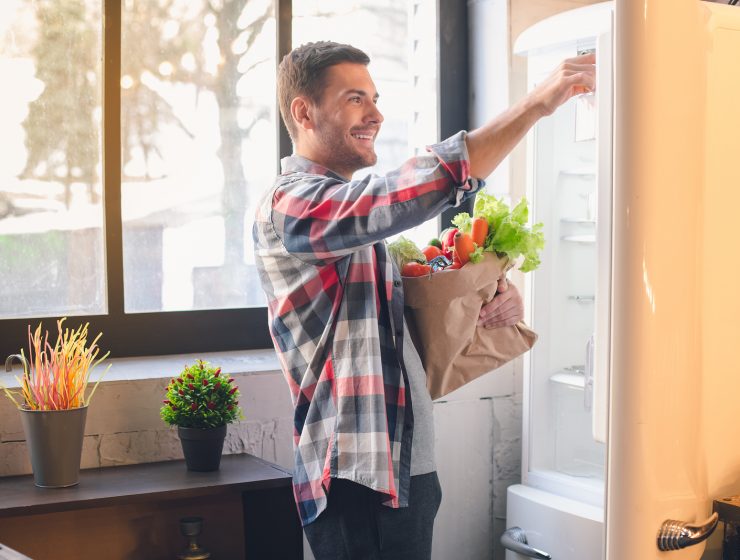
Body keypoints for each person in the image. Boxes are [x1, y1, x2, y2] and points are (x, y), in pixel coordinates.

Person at [253, 41, 595, 559]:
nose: (375, 114)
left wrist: (485, 305)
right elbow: (398, 196)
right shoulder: (294, 203)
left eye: (374, 97)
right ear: (304, 112)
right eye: (354, 99)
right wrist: (536, 103)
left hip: (399, 466)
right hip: (356, 476)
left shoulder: (345, 223)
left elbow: (391, 340)